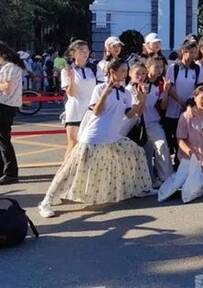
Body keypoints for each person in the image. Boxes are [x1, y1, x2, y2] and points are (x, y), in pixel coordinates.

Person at [38, 59, 152, 218]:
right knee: (70, 171)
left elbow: (129, 114)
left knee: (136, 153)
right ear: (112, 72)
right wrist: (106, 92)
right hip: (93, 138)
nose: (124, 74)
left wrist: (141, 100)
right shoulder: (99, 88)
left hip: (113, 138)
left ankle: (138, 189)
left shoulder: (125, 93)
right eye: (122, 71)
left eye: (126, 71)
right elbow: (97, 111)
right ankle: (46, 202)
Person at [127, 59, 173, 188]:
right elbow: (135, 111)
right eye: (156, 67)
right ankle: (146, 181)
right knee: (143, 152)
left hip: (152, 121)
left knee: (161, 144)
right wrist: (143, 96)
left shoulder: (158, 85)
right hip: (135, 124)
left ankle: (166, 179)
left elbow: (163, 106)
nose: (159, 70)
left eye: (161, 67)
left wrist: (166, 91)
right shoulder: (132, 87)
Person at [165, 40, 203, 166]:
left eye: (195, 52)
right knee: (172, 136)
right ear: (183, 52)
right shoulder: (174, 68)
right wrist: (179, 101)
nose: (193, 55)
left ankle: (181, 163)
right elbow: (169, 87)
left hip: (188, 109)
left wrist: (189, 103)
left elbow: (198, 89)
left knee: (185, 136)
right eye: (191, 52)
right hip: (172, 109)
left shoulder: (197, 69)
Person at [61, 40, 99, 158]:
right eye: (81, 50)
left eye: (87, 50)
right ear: (73, 53)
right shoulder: (67, 70)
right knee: (73, 144)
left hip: (91, 112)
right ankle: (66, 173)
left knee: (90, 145)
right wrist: (71, 78)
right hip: (75, 111)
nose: (85, 53)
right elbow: (71, 93)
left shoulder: (94, 69)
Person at [0, 42, 24, 185]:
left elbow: (8, 88)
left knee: (4, 140)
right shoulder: (6, 67)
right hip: (5, 106)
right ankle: (5, 170)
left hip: (5, 106)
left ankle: (10, 172)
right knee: (2, 140)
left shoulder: (10, 67)